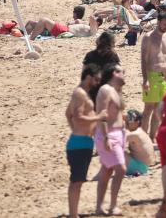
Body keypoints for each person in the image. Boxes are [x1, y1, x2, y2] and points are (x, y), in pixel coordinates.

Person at [65, 64, 105, 218]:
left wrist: (75, 129)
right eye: (96, 79)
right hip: (79, 143)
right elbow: (78, 116)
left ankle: (73, 214)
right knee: (76, 181)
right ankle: (73, 215)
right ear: (88, 77)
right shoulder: (80, 94)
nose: (97, 83)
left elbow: (68, 114)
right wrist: (99, 117)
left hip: (82, 142)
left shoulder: (82, 93)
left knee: (79, 181)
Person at [95, 64, 127, 216]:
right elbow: (102, 114)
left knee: (106, 171)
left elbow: (117, 113)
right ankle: (113, 205)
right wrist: (106, 136)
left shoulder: (116, 90)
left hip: (118, 133)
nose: (124, 74)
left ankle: (99, 206)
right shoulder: (106, 90)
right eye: (122, 71)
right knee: (121, 169)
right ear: (114, 73)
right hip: (109, 134)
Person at [140, 12, 166, 138]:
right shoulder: (148, 37)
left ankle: (152, 137)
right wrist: (145, 79)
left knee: (159, 109)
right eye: (164, 24)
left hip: (165, 77)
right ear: (158, 22)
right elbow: (144, 59)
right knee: (148, 108)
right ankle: (142, 137)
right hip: (152, 75)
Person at [124, 110, 154, 177]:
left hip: (140, 168)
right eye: (126, 121)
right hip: (143, 167)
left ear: (137, 122)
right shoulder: (140, 131)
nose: (127, 123)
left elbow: (116, 140)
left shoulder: (135, 134)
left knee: (115, 150)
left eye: (129, 121)